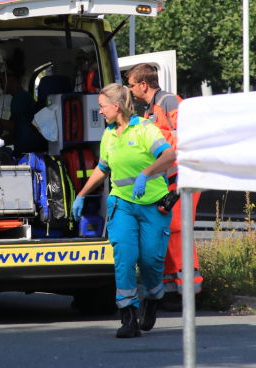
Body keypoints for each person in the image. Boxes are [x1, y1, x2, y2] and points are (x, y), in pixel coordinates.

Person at [72, 83, 175, 338]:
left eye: (102, 106)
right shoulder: (109, 134)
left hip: (153, 205)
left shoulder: (143, 129)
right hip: (122, 205)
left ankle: (153, 299)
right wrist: (81, 194)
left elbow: (169, 155)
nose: (100, 112)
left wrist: (145, 173)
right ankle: (128, 318)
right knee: (125, 259)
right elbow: (102, 168)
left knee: (150, 261)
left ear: (116, 106)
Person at [126, 63, 202, 311]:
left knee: (178, 232)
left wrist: (181, 180)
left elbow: (187, 138)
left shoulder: (169, 102)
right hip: (168, 181)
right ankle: (171, 291)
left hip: (182, 179)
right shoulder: (149, 109)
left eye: (131, 85)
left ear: (143, 84)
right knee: (166, 232)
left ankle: (190, 293)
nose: (129, 89)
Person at [0, 49, 46, 154]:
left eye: (1, 81)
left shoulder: (19, 98)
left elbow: (16, 126)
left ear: (11, 80)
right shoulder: (23, 96)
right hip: (27, 149)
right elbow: (17, 134)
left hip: (27, 151)